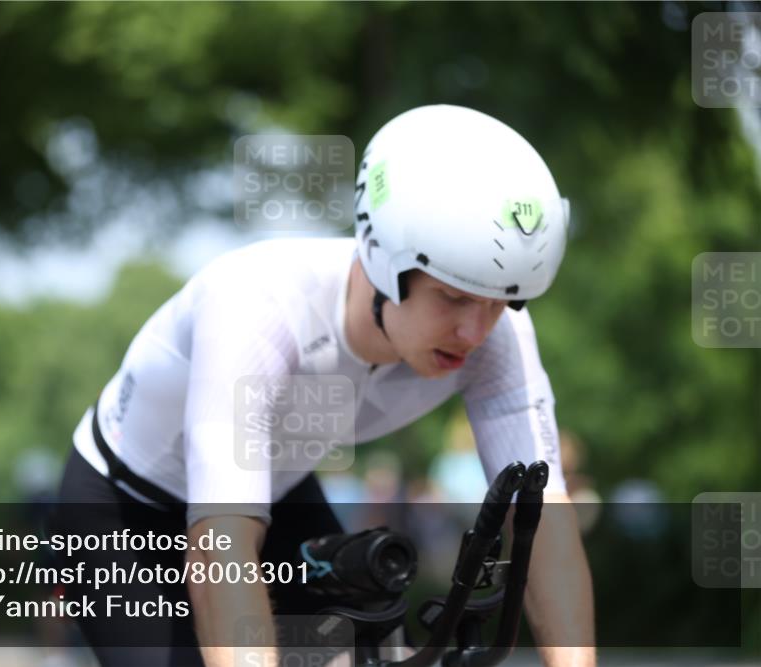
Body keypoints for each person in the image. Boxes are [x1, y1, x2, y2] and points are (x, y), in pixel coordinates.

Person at [53, 105, 596, 667]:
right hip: (120, 507)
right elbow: (222, 543)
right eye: (453, 298)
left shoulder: (498, 335)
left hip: (279, 492)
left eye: (501, 304)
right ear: (384, 258)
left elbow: (544, 529)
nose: (475, 331)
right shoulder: (257, 304)